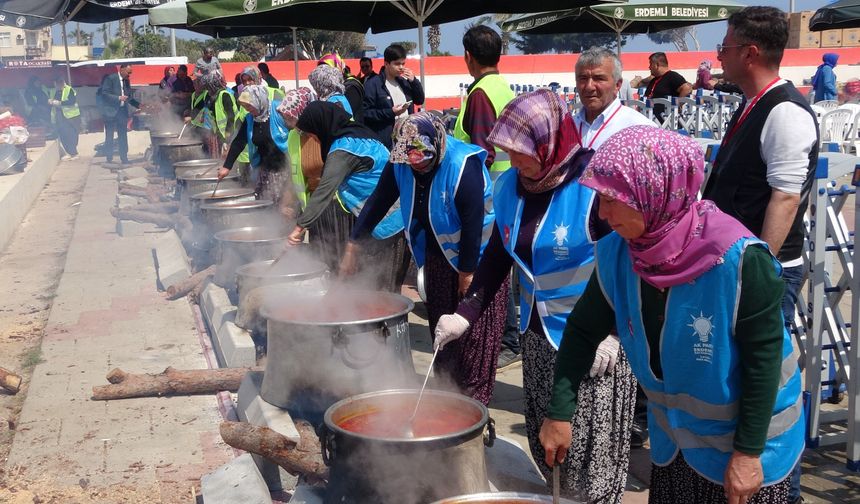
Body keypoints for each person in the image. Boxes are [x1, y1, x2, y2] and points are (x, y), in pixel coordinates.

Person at [541, 125, 803, 504]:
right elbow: (582, 331)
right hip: (676, 447)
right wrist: (559, 412)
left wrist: (747, 454)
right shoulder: (619, 253)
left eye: (614, 199)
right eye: (599, 198)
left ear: (654, 192)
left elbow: (763, 364)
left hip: (752, 448)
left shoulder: (741, 261)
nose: (602, 212)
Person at [434, 90, 636, 503]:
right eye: (506, 150)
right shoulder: (510, 186)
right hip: (539, 335)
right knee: (547, 443)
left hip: (598, 344)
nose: (513, 159)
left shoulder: (593, 185)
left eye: (521, 151)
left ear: (548, 142)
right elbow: (498, 254)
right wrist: (467, 313)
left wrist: (614, 331)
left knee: (589, 456)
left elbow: (628, 262)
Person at [703, 8, 818, 503]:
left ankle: (777, 487)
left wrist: (761, 271)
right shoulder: (753, 105)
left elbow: (785, 198)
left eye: (725, 47)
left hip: (766, 275)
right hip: (737, 267)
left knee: (765, 386)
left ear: (750, 53)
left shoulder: (786, 112)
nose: (720, 56)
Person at [343, 112, 506, 404]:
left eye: (423, 161)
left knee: (473, 341)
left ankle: (475, 411)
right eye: (411, 162)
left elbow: (472, 224)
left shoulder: (461, 166)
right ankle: (447, 401)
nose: (416, 168)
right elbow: (379, 200)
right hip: (437, 261)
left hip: (479, 263)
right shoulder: (403, 161)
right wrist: (354, 243)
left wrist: (467, 273)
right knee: (444, 335)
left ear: (437, 146)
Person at [573, 46, 656, 449]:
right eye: (584, 78)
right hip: (575, 250)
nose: (590, 86)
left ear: (619, 84)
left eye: (599, 78)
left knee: (627, 330)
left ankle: (633, 418)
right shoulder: (568, 127)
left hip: (622, 243)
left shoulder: (635, 127)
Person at [282, 101, 406, 292]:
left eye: (309, 133)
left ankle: (382, 322)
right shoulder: (362, 135)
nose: (311, 138)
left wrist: (298, 229)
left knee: (379, 293)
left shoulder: (343, 149)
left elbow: (324, 191)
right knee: (385, 289)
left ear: (320, 125)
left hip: (384, 224)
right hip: (395, 217)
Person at [450, 25, 518, 368]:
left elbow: (479, 154)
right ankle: (508, 335)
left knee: (493, 263)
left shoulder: (479, 94)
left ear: (468, 57)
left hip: (491, 192)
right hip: (507, 186)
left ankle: (506, 338)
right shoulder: (501, 86)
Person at [219, 84, 290, 204]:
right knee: (265, 204)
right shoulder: (250, 119)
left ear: (259, 100)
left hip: (285, 170)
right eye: (245, 106)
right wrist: (227, 167)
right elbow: (239, 142)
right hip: (264, 170)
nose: (247, 109)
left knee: (283, 205)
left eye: (249, 105)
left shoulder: (279, 111)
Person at [363, 44, 425, 148]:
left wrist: (414, 81)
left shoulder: (404, 82)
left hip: (407, 140)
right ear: (386, 64)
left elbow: (420, 100)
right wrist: (390, 112)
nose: (401, 67)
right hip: (385, 143)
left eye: (403, 64)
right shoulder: (373, 84)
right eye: (397, 64)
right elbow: (365, 114)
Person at [97, 64, 139, 165]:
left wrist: (139, 105)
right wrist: (118, 98)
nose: (129, 75)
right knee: (109, 135)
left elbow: (129, 97)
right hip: (110, 111)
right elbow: (104, 94)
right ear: (122, 70)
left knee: (123, 135)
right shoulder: (111, 79)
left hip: (122, 111)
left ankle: (124, 157)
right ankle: (109, 157)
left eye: (131, 73)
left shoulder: (126, 81)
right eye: (128, 72)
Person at [190, 72, 237, 158]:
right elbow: (202, 110)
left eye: (208, 87)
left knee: (226, 159)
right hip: (217, 134)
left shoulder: (225, 95)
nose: (207, 90)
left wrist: (227, 139)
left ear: (213, 85)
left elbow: (232, 119)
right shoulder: (210, 96)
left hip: (228, 135)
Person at [643, 52, 692, 122]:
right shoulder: (654, 80)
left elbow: (687, 88)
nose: (649, 67)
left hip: (666, 121)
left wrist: (676, 106)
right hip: (651, 119)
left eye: (651, 64)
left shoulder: (672, 76)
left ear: (657, 65)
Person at [49, 75, 81, 161]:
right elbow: (50, 100)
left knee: (71, 134)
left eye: (58, 84)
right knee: (63, 134)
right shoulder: (53, 91)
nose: (57, 86)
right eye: (55, 84)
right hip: (59, 115)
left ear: (62, 83)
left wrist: (60, 103)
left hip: (71, 115)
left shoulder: (69, 89)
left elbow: (72, 101)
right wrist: (50, 101)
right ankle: (70, 153)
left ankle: (74, 153)